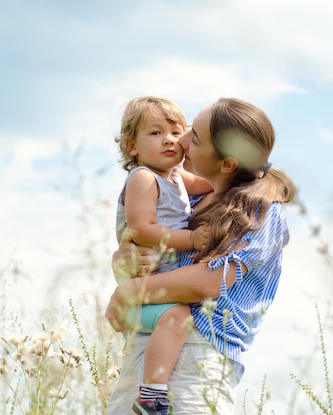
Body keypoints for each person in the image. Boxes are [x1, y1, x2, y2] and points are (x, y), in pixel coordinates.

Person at [105, 97, 297, 415]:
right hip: (145, 352)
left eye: (193, 137)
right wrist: (124, 259)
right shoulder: (187, 202)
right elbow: (149, 252)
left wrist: (129, 291)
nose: (180, 140)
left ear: (226, 164)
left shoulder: (259, 211)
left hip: (196, 363)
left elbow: (208, 281)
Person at [113, 96, 212, 415]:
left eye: (175, 131)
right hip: (143, 287)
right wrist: (192, 238)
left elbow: (214, 185)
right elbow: (142, 229)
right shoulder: (143, 177)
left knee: (176, 316)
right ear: (132, 146)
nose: (168, 139)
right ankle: (151, 397)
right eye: (155, 133)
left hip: (157, 285)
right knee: (178, 317)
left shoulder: (176, 178)